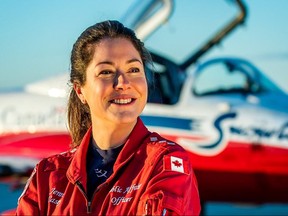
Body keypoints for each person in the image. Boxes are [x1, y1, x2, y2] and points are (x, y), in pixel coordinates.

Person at [16, 20, 201, 215]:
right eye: (106, 72)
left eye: (134, 70)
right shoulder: (48, 175)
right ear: (80, 90)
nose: (123, 82)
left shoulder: (164, 164)